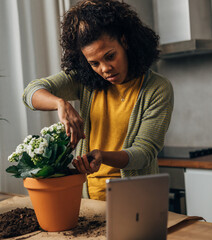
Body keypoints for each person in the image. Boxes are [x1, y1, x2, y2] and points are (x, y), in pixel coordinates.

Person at [23, 0, 174, 201]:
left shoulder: (157, 88)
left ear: (125, 41)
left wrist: (103, 156)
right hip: (89, 200)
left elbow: (144, 153)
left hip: (136, 200)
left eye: (110, 56)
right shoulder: (85, 81)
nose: (104, 69)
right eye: (94, 63)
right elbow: (30, 92)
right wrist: (61, 104)